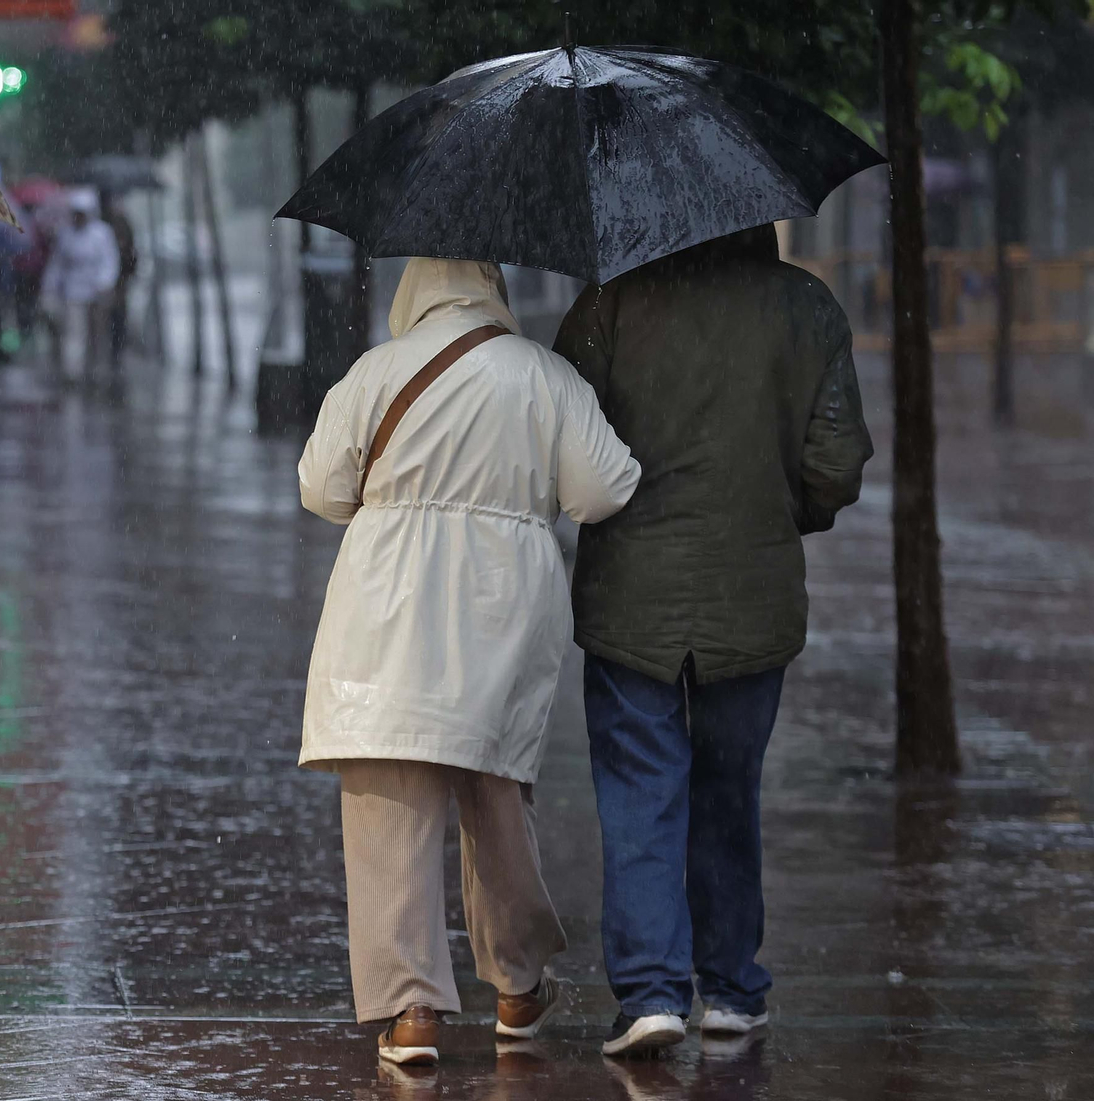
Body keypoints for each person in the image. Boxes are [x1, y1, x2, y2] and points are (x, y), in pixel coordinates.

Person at [299, 258, 641, 1066]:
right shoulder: (545, 376)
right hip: (501, 605)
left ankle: (413, 1012)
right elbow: (605, 489)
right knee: (496, 793)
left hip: (385, 608)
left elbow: (319, 486)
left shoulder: (376, 370)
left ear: (412, 286)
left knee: (389, 797)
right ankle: (518, 986)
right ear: (494, 283)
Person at [553, 224, 875, 1057]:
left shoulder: (609, 301)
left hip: (631, 596)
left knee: (638, 788)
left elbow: (565, 439)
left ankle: (651, 990)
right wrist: (775, 512)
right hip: (752, 594)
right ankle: (730, 986)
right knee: (731, 786)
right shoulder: (807, 308)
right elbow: (836, 463)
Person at [42, 188, 120, 387]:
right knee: (74, 332)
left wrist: (105, 284)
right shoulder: (66, 234)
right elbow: (57, 264)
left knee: (97, 334)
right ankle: (73, 373)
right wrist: (50, 288)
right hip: (73, 292)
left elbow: (109, 261)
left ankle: (95, 370)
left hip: (96, 292)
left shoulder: (102, 234)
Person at [100, 190, 139, 366]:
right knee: (109, 314)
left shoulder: (122, 223)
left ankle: (117, 347)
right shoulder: (104, 224)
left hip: (120, 278)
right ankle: (112, 346)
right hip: (109, 278)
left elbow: (131, 252)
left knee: (118, 313)